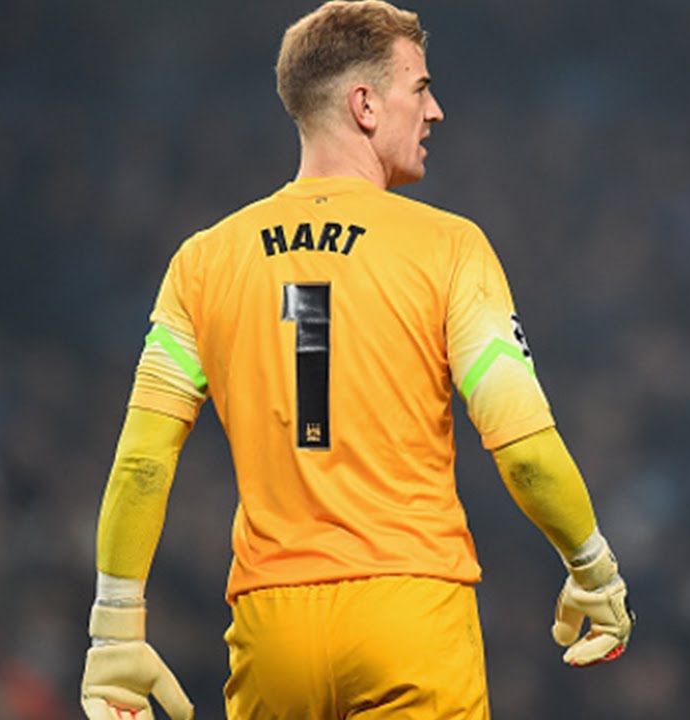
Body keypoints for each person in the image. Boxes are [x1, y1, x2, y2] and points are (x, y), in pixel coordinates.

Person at [78, 1, 633, 718]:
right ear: (365, 105)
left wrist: (115, 627)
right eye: (420, 88)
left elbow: (142, 461)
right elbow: (524, 450)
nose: (435, 111)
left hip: (272, 631)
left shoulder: (203, 262)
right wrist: (591, 565)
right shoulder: (449, 248)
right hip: (410, 612)